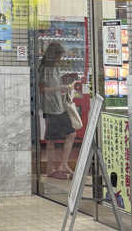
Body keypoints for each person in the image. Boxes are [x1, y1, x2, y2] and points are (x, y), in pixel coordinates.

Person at [39, 42, 80, 180]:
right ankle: (52, 168)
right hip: (51, 108)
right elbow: (42, 89)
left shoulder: (55, 67)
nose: (60, 59)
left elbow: (55, 84)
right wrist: (60, 88)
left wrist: (65, 82)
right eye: (59, 56)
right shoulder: (45, 68)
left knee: (68, 135)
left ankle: (62, 165)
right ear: (54, 55)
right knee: (56, 138)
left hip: (58, 106)